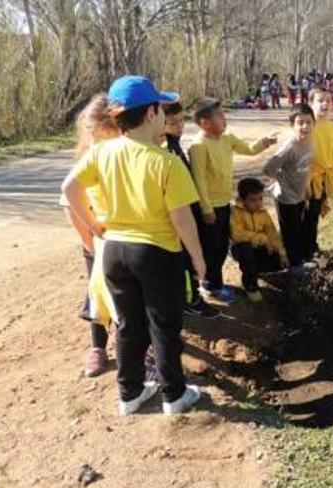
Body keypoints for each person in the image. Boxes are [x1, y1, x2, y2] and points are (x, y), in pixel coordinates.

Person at [61, 75, 205, 415]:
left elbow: (69, 188)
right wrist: (198, 259)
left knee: (128, 324)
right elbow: (183, 219)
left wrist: (96, 227)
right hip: (156, 253)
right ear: (153, 111)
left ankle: (129, 395)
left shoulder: (102, 152)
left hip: (114, 252)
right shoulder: (166, 162)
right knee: (163, 324)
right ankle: (174, 396)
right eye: (163, 108)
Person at [189, 98, 278, 303]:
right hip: (210, 208)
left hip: (224, 205)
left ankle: (215, 282)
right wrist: (206, 209)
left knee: (222, 246)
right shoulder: (198, 146)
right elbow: (199, 180)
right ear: (205, 123)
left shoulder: (227, 138)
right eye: (220, 116)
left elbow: (248, 150)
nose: (224, 119)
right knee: (212, 248)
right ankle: (211, 287)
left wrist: (264, 142)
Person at [61, 94, 121, 378]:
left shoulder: (122, 155)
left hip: (123, 239)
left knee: (125, 296)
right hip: (97, 241)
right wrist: (92, 236)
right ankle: (98, 347)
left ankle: (134, 347)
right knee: (97, 294)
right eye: (95, 139)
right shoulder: (86, 162)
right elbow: (70, 204)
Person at [162, 102, 221, 319]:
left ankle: (190, 296)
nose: (179, 126)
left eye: (181, 121)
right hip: (179, 213)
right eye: (172, 123)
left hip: (190, 206)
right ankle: (191, 301)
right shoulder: (165, 148)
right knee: (186, 260)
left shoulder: (175, 144)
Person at [263, 103, 315, 273]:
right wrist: (280, 179)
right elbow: (268, 168)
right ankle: (294, 266)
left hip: (299, 194)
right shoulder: (289, 146)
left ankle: (293, 260)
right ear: (292, 125)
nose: (305, 126)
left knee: (297, 229)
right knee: (290, 233)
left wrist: (306, 186)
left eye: (308, 122)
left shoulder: (309, 141)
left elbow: (305, 166)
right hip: (286, 197)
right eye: (300, 122)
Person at [230, 178, 288, 301]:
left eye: (260, 198)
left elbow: (273, 234)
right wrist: (262, 238)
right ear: (242, 199)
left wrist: (282, 254)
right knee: (245, 249)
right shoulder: (235, 212)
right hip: (240, 248)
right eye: (253, 200)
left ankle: (257, 270)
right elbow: (237, 235)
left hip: (260, 247)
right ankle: (250, 285)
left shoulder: (263, 212)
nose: (258, 203)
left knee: (281, 261)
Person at [304, 89, 333, 262]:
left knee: (315, 212)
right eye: (320, 101)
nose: (325, 104)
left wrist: (330, 176)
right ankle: (305, 250)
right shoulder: (308, 126)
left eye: (328, 100)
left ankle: (311, 245)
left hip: (324, 178)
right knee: (306, 215)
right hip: (308, 179)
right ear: (311, 103)